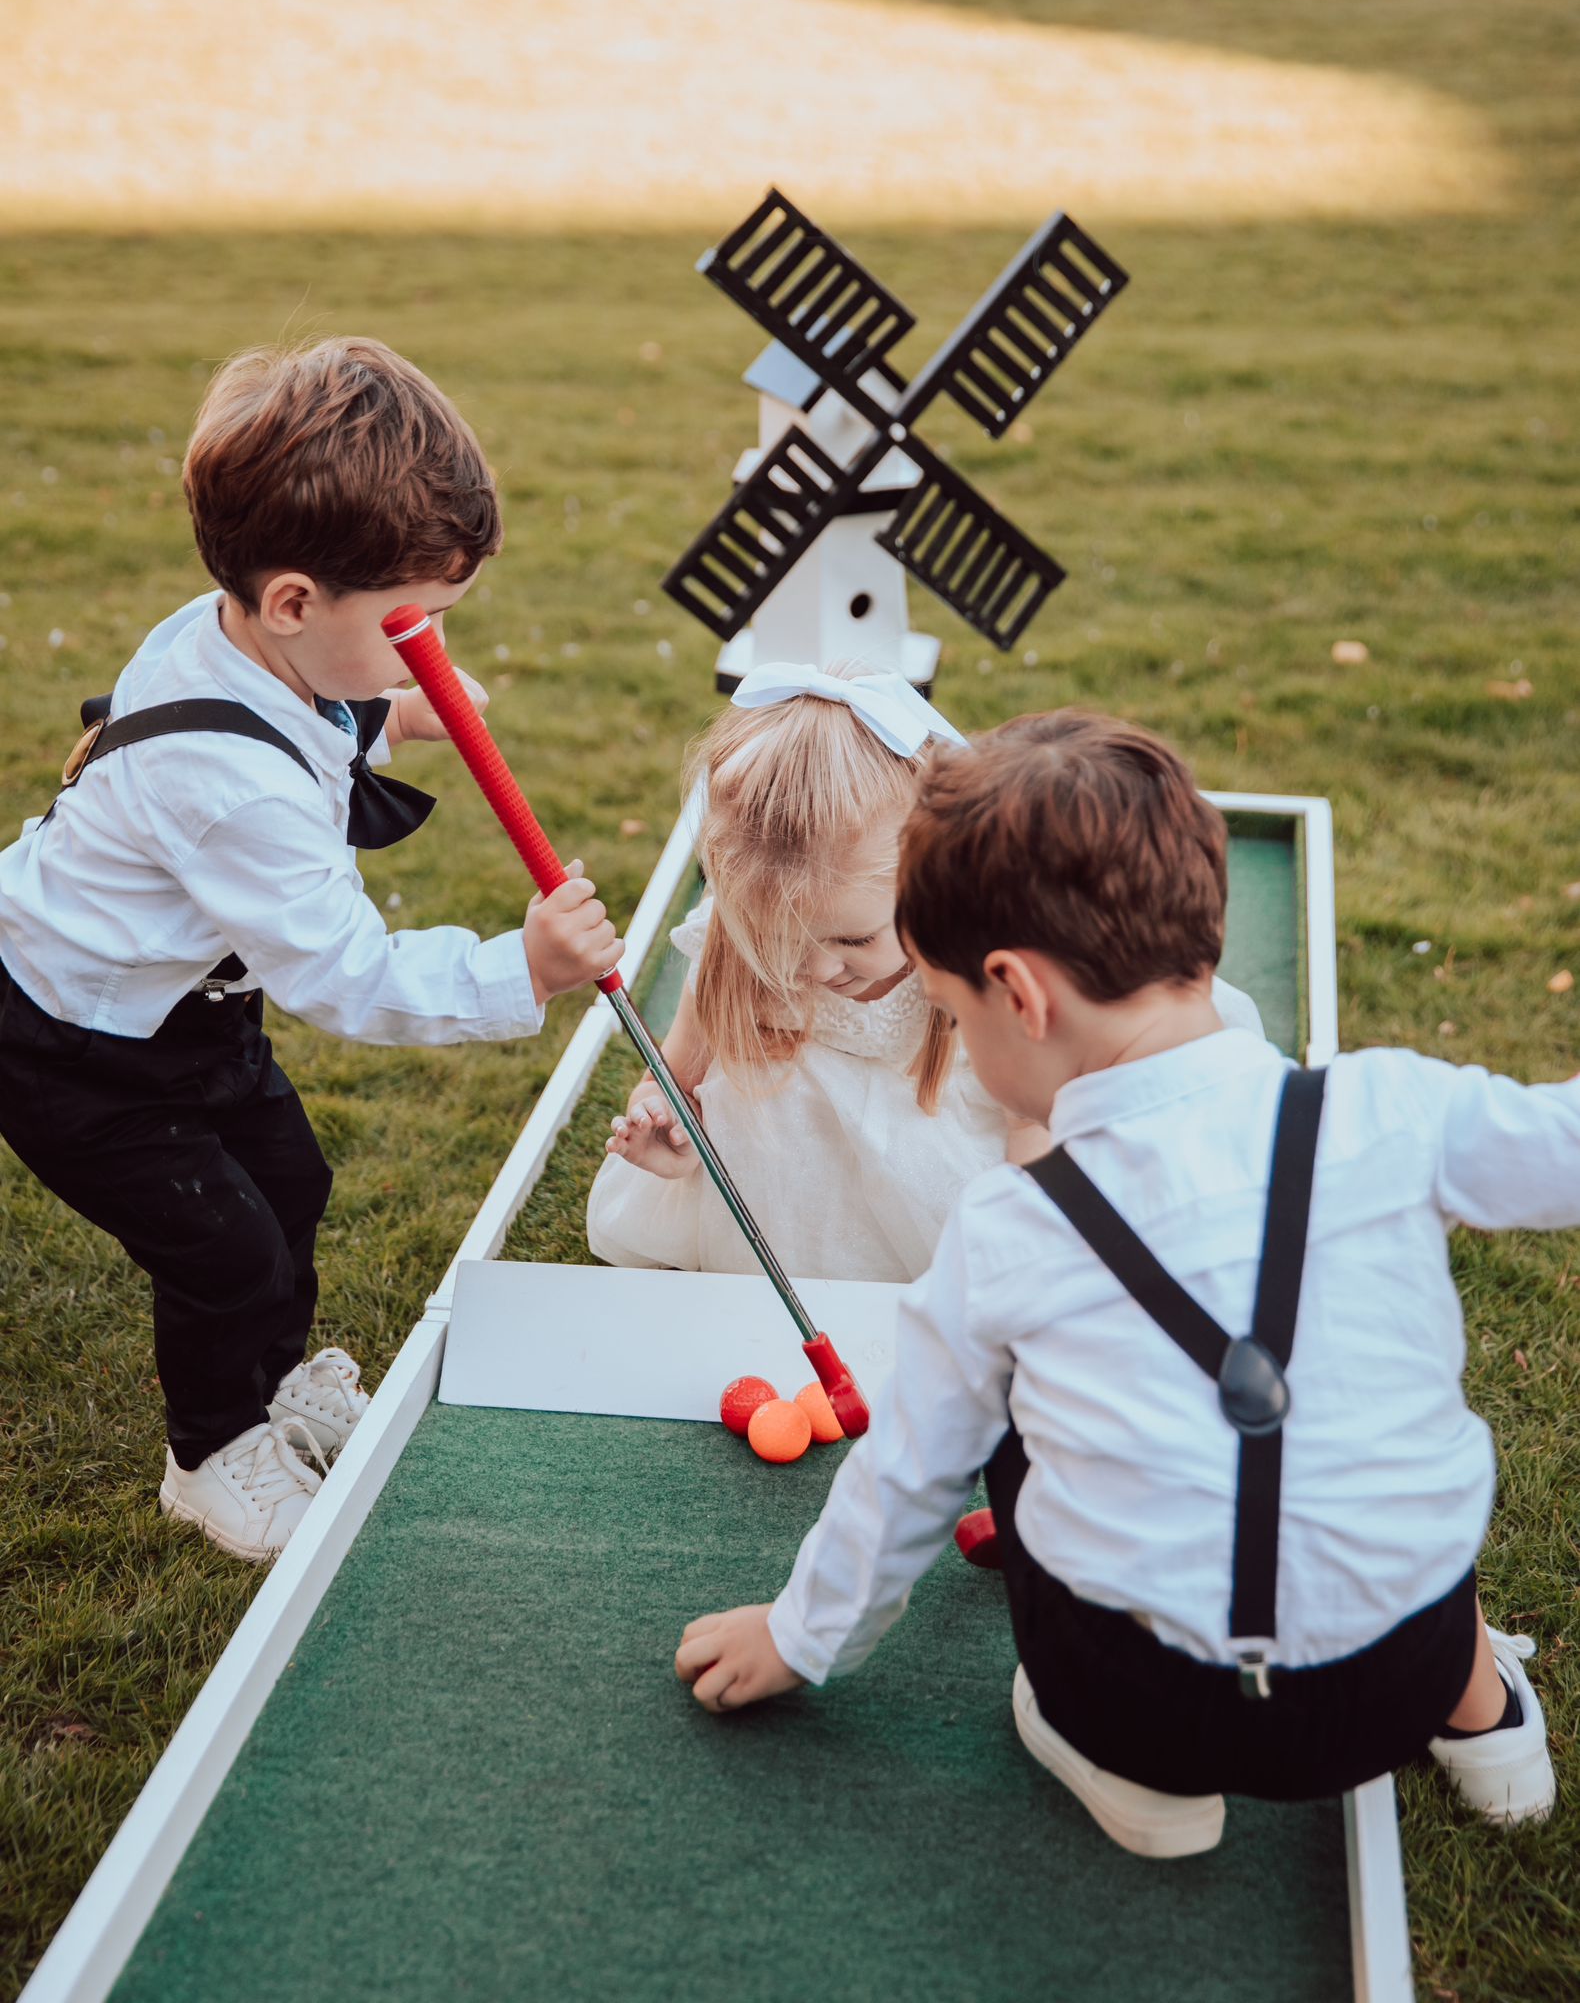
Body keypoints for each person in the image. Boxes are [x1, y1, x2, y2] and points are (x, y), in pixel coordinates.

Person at [674, 710, 1563, 1847]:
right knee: (1365, 1420)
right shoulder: (1386, 1107)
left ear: (1018, 994)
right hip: (1397, 1681)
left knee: (998, 1417)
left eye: (948, 1010)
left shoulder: (1004, 1222)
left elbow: (903, 1473)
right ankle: (1492, 1735)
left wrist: (795, 1638)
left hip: (1150, 1710)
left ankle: (1139, 1790)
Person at [0, 337, 621, 1563]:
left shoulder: (238, 640)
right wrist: (525, 968)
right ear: (294, 602)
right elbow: (348, 974)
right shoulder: (233, 792)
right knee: (222, 1245)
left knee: (291, 1184)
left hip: (185, 1011)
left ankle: (273, 1383)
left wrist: (378, 711)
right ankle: (211, 1454)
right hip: (67, 1037)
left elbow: (286, 724)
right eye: (415, 625)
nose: (432, 647)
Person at [587, 663, 1264, 1282]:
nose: (819, 968)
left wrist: (1026, 1246)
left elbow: (1031, 1123)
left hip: (949, 1154)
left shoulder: (975, 962)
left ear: (928, 878)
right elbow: (671, 1075)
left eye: (854, 936)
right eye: (776, 938)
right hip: (787, 1178)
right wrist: (667, 1130)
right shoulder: (729, 948)